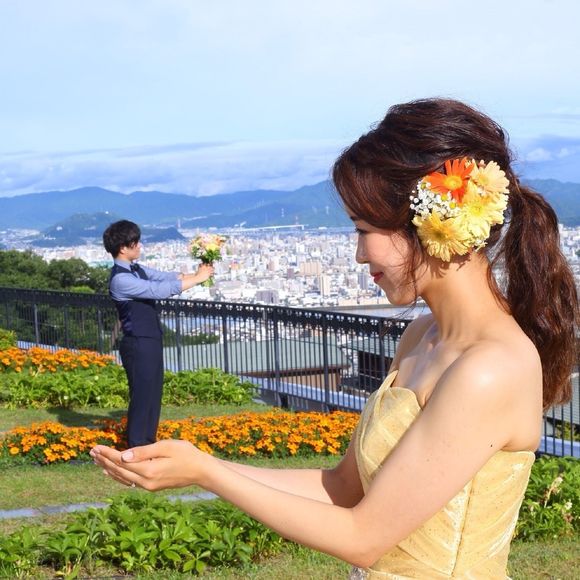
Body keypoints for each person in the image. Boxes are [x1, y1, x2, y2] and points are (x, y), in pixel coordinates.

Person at [92, 100, 578, 578]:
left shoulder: (490, 367)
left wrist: (207, 473)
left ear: (435, 221)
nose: (360, 254)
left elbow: (363, 537)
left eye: (364, 229)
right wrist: (201, 463)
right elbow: (343, 488)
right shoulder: (420, 336)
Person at [102, 219, 214, 448]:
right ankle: (137, 447)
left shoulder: (136, 269)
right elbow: (158, 290)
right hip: (137, 342)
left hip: (150, 339)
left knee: (153, 394)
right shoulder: (121, 279)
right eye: (135, 243)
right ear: (123, 248)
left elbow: (166, 278)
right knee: (142, 396)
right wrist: (198, 279)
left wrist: (197, 272)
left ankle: (147, 443)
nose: (139, 246)